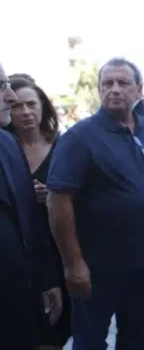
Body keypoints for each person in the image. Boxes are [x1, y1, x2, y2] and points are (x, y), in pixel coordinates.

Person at [46, 57, 144, 350]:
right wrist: (73, 263)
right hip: (97, 268)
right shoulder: (79, 138)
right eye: (108, 83)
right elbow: (58, 200)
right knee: (89, 342)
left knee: (136, 338)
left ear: (139, 90)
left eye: (123, 83)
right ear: (99, 90)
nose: (115, 89)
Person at [6, 77, 71, 349]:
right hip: (23, 254)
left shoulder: (64, 146)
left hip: (60, 248)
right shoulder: (7, 148)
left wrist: (53, 197)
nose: (25, 112)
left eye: (31, 104)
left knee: (60, 325)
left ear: (43, 106)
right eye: (17, 106)